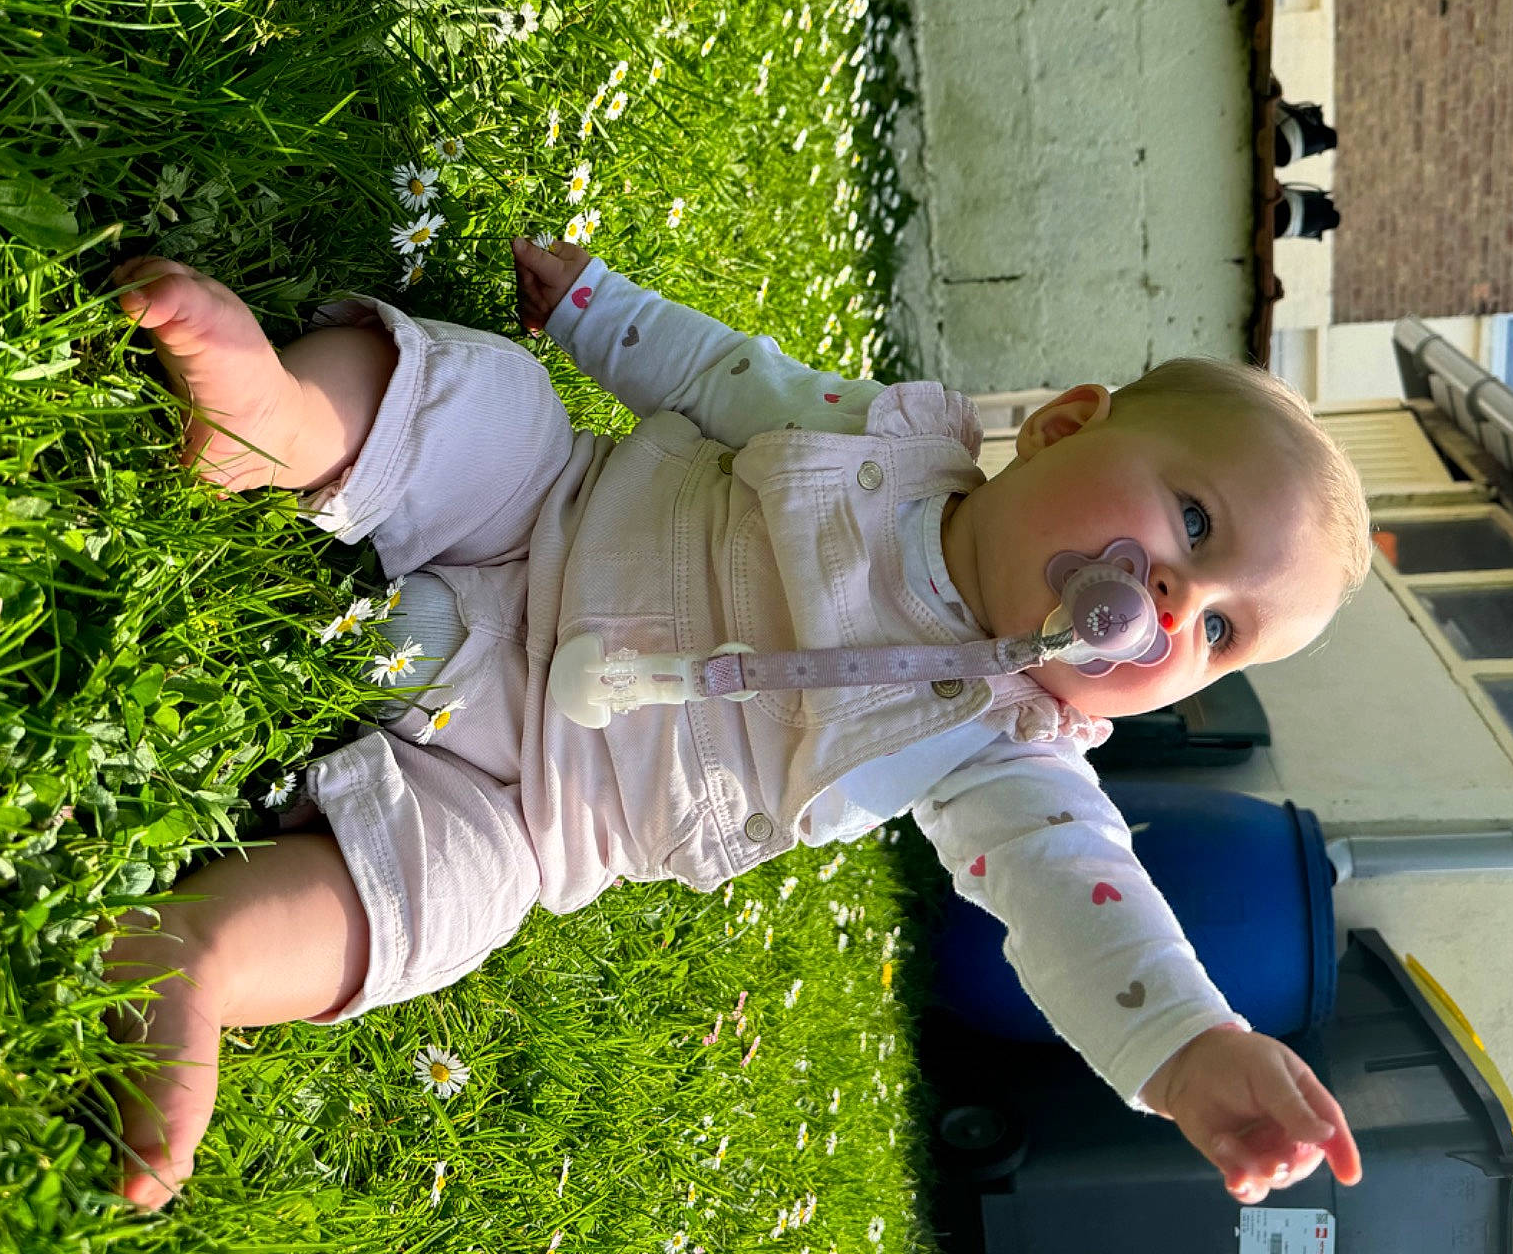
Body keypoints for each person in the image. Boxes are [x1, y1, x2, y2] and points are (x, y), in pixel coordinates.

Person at [101, 238, 1371, 1211]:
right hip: (537, 518)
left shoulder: (1003, 751)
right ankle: (276, 423)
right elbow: (724, 376)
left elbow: (1081, 906)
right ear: (1059, 428)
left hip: (525, 798)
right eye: (1192, 528)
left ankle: (198, 958)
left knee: (439, 907)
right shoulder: (876, 445)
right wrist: (598, 308)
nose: (1171, 601)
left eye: (1215, 632)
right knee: (480, 406)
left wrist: (1190, 1047)